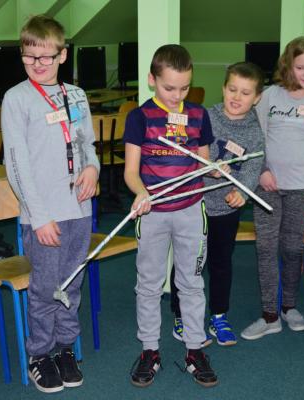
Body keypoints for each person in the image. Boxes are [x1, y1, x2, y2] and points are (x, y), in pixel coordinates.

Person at [1, 15, 99, 394]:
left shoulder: (77, 95)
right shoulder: (17, 99)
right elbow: (17, 165)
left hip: (79, 210)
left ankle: (65, 348)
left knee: (71, 286)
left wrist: (92, 168)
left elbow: (86, 142)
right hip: (42, 216)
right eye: (29, 57)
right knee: (44, 289)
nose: (38, 64)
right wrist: (38, 217)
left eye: (46, 57)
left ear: (63, 55)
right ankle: (39, 354)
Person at [123, 44, 219, 388]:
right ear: (152, 80)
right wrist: (141, 192)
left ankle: (194, 349)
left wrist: (216, 169)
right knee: (149, 283)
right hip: (153, 213)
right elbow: (131, 172)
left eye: (184, 88)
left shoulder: (198, 115)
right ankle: (150, 349)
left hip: (191, 209)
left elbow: (204, 162)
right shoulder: (139, 118)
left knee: (191, 282)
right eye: (169, 88)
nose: (177, 96)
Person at [241, 37, 304, 340]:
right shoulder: (268, 96)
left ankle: (289, 306)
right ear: (288, 66)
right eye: (300, 67)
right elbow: (252, 136)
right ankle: (270, 315)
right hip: (267, 186)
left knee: (293, 248)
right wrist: (261, 170)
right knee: (266, 247)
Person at [169, 62, 266, 346]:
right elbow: (187, 152)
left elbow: (253, 167)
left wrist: (242, 192)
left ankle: (219, 315)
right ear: (223, 89)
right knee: (188, 263)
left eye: (245, 93)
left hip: (225, 210)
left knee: (221, 264)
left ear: (257, 98)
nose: (237, 97)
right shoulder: (204, 116)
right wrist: (206, 166)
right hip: (194, 204)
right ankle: (181, 315)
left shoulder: (255, 131)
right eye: (232, 89)